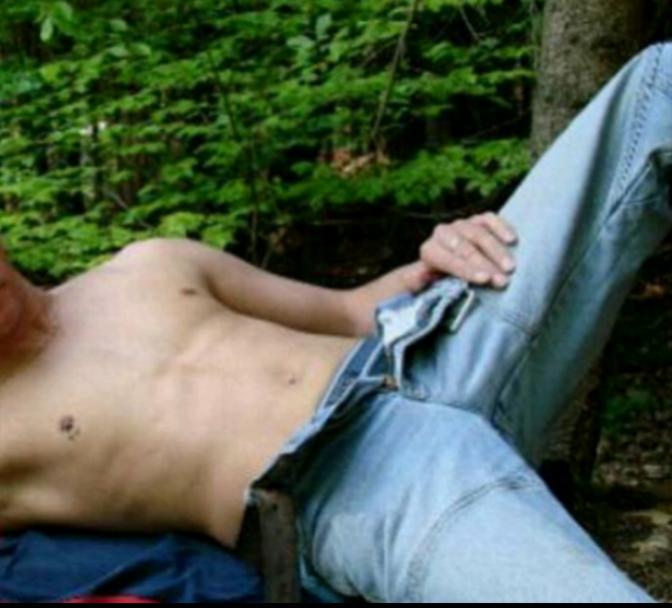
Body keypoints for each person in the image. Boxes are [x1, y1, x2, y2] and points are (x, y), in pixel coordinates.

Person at [0, 42, 670, 603]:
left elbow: (350, 311)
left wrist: (433, 260)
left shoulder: (150, 263)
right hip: (353, 483)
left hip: (427, 347)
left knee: (656, 89)